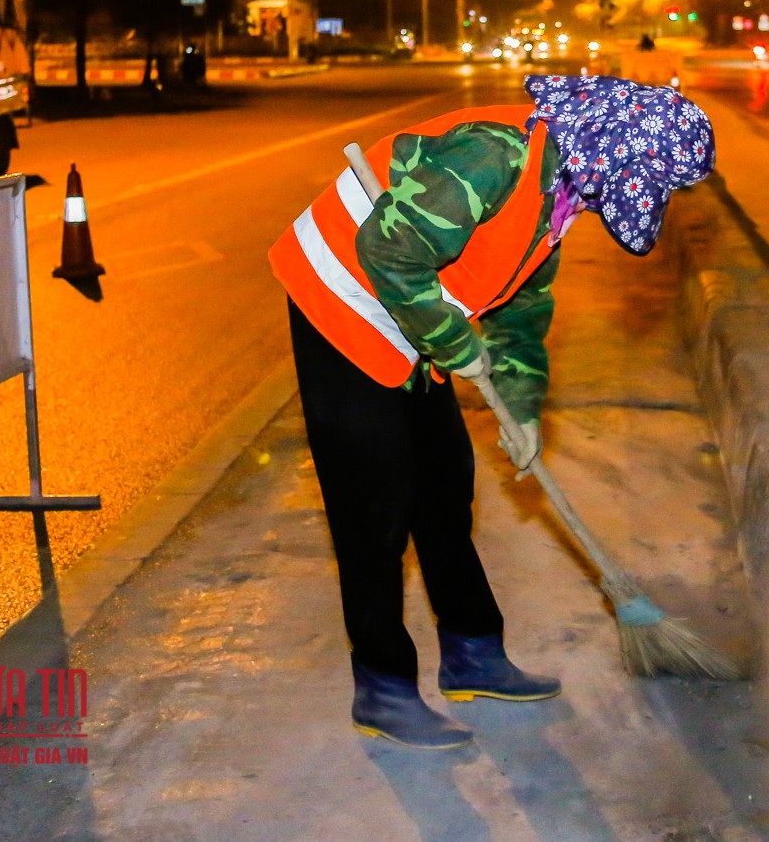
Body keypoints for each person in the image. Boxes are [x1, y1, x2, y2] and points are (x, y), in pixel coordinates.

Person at [268, 75, 716, 749]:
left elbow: (523, 310)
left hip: (414, 306)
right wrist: (454, 342)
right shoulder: (496, 156)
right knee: (376, 504)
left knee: (445, 483)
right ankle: (383, 688)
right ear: (607, 153)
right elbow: (386, 251)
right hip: (343, 294)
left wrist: (526, 408)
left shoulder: (558, 196)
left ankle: (473, 652)